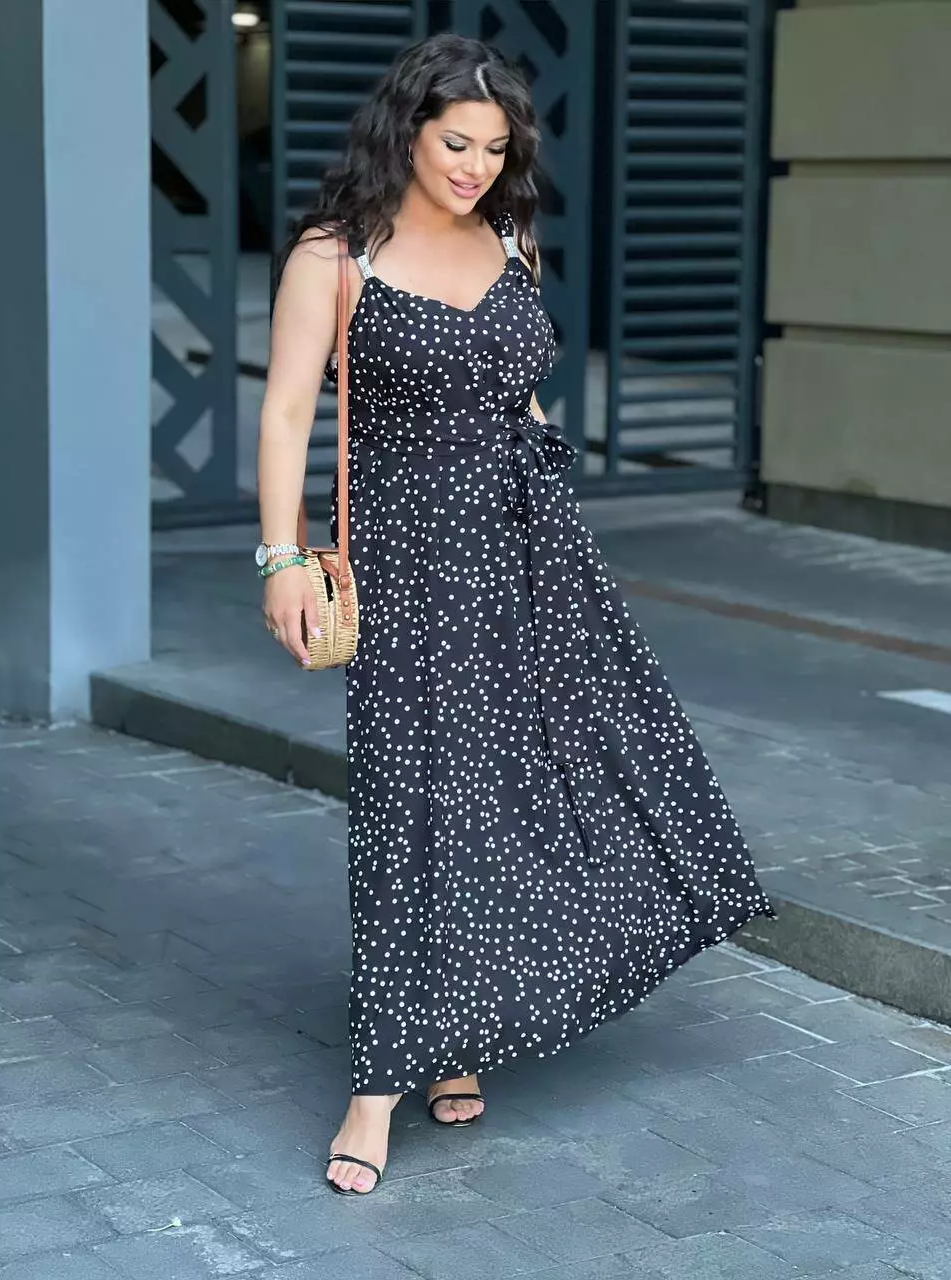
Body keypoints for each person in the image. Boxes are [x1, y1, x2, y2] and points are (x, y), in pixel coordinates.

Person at [257, 32, 774, 1197]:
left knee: (524, 787)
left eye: (495, 149)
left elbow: (517, 385)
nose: (474, 167)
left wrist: (541, 451)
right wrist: (280, 557)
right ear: (406, 129)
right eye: (456, 142)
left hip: (529, 558)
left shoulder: (510, 240)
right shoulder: (335, 255)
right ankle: (377, 1084)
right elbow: (288, 411)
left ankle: (460, 1031)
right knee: (411, 805)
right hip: (406, 567)